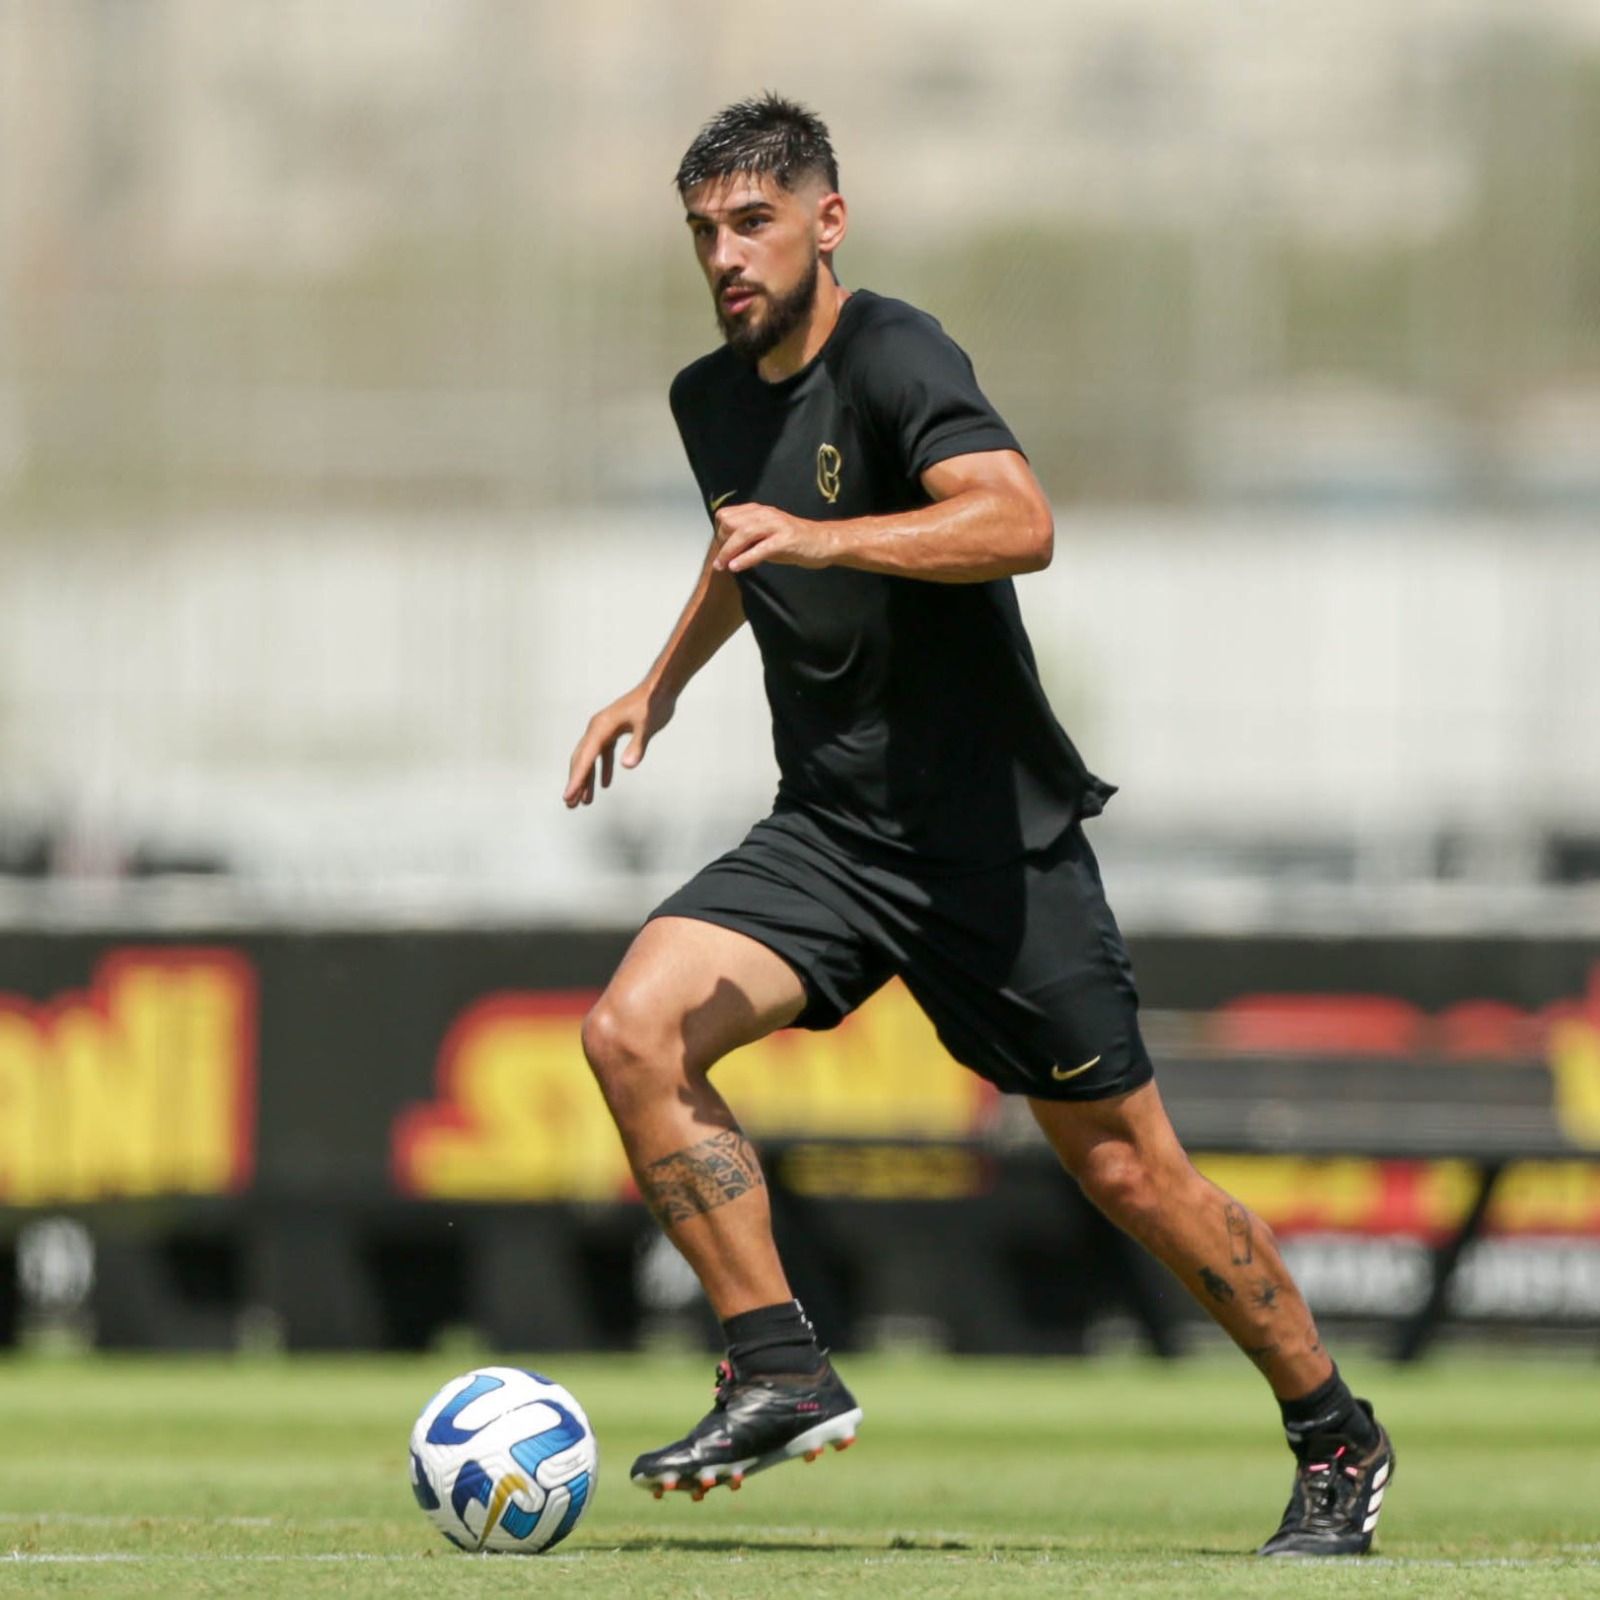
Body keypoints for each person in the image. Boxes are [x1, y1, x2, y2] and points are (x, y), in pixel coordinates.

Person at [564, 93, 1394, 1557]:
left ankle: (1336, 1432)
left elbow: (1020, 520)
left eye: (754, 221)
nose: (727, 256)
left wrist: (827, 537)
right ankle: (776, 1365)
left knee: (1132, 1172)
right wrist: (658, 683)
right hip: (830, 836)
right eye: (704, 232)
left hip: (992, 853)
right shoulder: (710, 398)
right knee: (634, 1030)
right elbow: (744, 542)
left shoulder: (897, 351)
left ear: (828, 220)